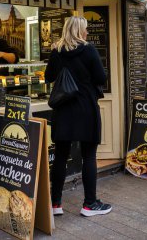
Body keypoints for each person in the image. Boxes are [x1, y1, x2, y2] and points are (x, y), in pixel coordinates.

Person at [45, 16, 112, 217]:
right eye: (86, 29)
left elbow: (49, 77)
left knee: (60, 157)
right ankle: (90, 204)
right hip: (86, 109)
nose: (88, 32)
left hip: (63, 109)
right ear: (79, 30)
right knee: (88, 156)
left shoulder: (57, 51)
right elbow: (101, 78)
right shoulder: (89, 50)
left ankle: (55, 204)